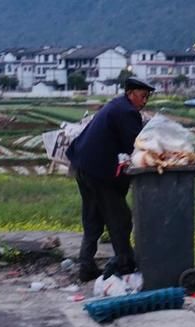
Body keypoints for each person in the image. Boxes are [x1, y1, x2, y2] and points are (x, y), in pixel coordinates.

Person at [66, 77, 155, 282]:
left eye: (147, 97)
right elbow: (136, 145)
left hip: (83, 166)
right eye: (142, 96)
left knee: (93, 218)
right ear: (131, 93)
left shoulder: (116, 105)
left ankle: (86, 266)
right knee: (120, 219)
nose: (144, 102)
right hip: (98, 172)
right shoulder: (127, 112)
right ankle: (125, 267)